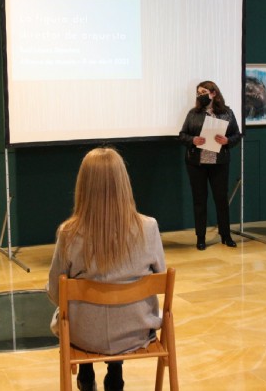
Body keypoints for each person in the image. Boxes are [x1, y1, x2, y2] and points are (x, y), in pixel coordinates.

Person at [47, 147, 166, 391]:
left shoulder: (68, 233)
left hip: (83, 334)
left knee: (68, 311)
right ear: (124, 182)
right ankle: (115, 372)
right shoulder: (149, 227)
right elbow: (160, 275)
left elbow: (55, 292)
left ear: (83, 185)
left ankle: (86, 369)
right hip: (136, 331)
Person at [179, 81, 242, 250]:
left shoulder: (227, 113)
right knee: (199, 201)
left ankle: (226, 235)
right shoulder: (193, 113)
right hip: (196, 163)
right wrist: (192, 140)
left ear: (213, 93)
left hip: (219, 162)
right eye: (198, 92)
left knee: (221, 200)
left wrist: (228, 140)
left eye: (204, 91)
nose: (201, 95)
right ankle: (201, 237)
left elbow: (237, 134)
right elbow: (182, 135)